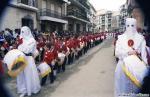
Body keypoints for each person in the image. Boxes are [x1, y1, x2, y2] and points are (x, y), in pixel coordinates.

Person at [115, 18, 148, 97]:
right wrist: (128, 53)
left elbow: (144, 56)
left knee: (136, 90)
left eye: (132, 25)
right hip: (122, 68)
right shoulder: (120, 38)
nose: (130, 28)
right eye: (128, 25)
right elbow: (117, 53)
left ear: (135, 26)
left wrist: (146, 68)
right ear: (125, 26)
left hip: (137, 69)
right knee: (122, 89)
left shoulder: (141, 38)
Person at [17, 26, 41, 97]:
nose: (22, 33)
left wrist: (22, 47)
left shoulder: (32, 40)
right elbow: (19, 49)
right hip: (21, 58)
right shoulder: (21, 40)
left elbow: (30, 50)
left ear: (27, 31)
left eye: (23, 31)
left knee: (29, 74)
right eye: (21, 32)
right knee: (21, 75)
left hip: (29, 59)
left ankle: (30, 90)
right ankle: (23, 90)